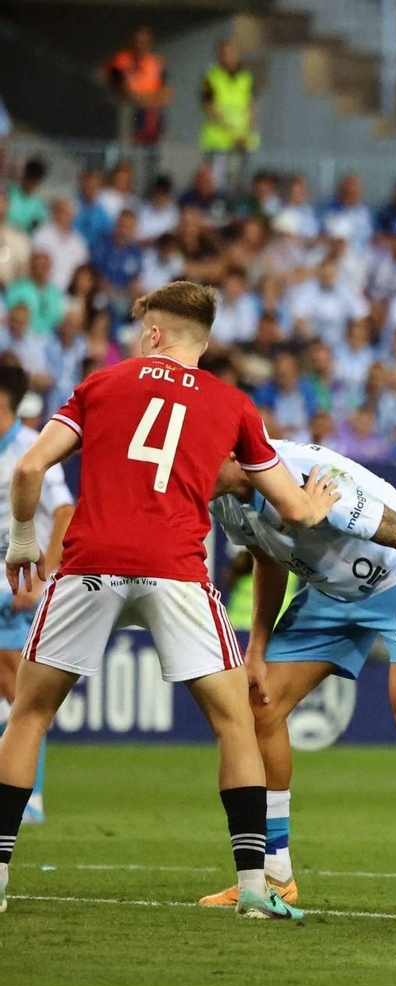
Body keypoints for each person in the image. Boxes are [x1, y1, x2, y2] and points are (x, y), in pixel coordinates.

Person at [0, 280, 338, 920]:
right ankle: (255, 890)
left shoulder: (101, 386)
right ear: (203, 342)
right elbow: (292, 510)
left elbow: (27, 470)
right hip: (176, 573)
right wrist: (313, 504)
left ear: (155, 333)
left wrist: (22, 540)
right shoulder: (234, 405)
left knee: (29, 715)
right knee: (234, 722)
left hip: (89, 565)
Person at [198, 439, 396, 916]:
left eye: (198, 457)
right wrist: (258, 647)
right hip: (330, 595)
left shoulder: (318, 482)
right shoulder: (222, 499)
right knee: (259, 705)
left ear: (232, 455)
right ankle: (275, 875)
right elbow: (265, 558)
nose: (189, 470)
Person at [0, 365, 74, 824]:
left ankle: (31, 798)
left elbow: (65, 509)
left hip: (18, 583)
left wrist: (45, 573)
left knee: (18, 689)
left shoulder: (33, 447)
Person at [200, 40, 259, 194]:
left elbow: (251, 106)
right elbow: (209, 107)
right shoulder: (211, 76)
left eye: (232, 53)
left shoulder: (246, 77)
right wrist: (232, 133)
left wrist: (248, 133)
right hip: (219, 141)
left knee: (239, 185)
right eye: (225, 53)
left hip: (241, 142)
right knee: (217, 185)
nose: (229, 57)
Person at [104, 26, 171, 147]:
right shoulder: (122, 60)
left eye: (144, 43)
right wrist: (148, 99)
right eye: (138, 42)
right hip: (129, 113)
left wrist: (144, 100)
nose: (140, 46)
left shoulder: (156, 63)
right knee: (127, 149)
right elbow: (124, 90)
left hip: (151, 114)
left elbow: (166, 95)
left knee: (151, 151)